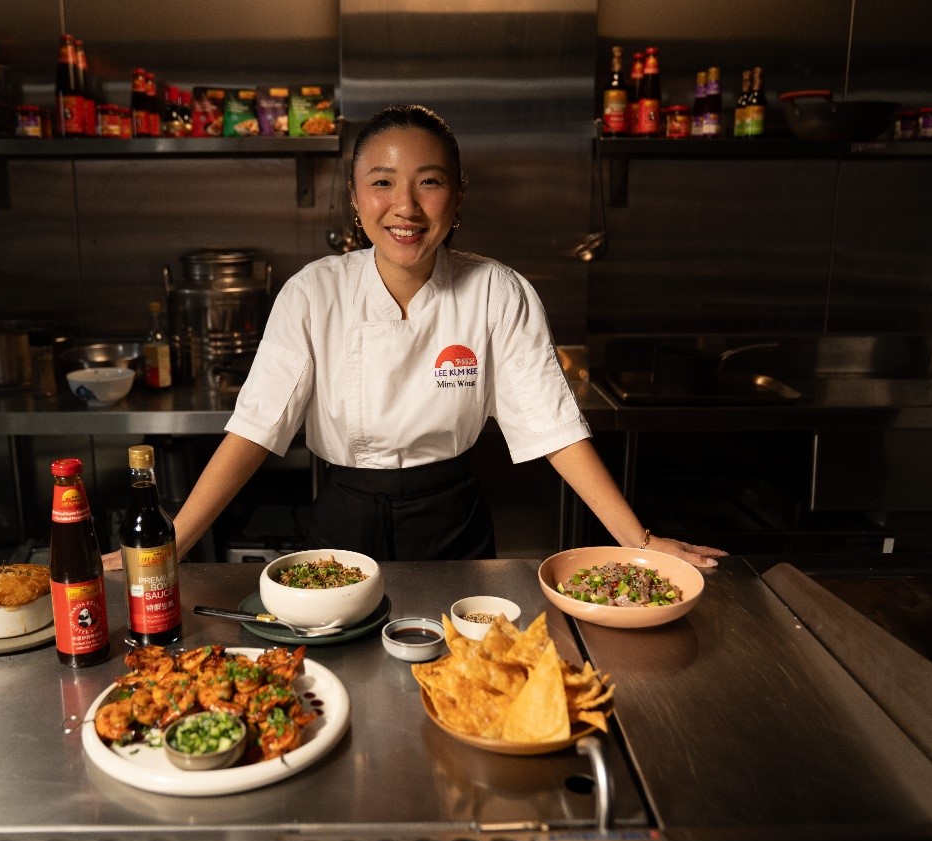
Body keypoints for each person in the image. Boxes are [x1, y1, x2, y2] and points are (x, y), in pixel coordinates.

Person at [103, 104, 723, 570]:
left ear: (457, 197)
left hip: (452, 522)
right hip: (340, 517)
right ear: (354, 197)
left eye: (428, 181)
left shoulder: (497, 292)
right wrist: (171, 544)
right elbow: (256, 428)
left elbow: (554, 428)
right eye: (381, 182)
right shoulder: (312, 292)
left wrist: (639, 543)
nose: (405, 206)